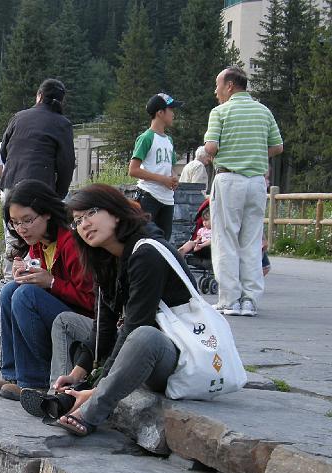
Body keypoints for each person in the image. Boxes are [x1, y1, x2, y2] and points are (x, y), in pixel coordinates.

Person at [41, 184, 196, 436]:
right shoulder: (106, 259)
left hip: (174, 356)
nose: (84, 224)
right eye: (78, 221)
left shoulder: (148, 253)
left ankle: (91, 410)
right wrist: (78, 371)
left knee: (144, 335)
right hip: (133, 346)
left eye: (91, 213)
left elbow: (135, 325)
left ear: (115, 211)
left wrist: (99, 385)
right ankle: (63, 397)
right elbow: (103, 325)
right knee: (65, 321)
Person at [0, 179, 94, 401]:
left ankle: (34, 382)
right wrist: (26, 273)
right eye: (15, 223)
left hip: (83, 328)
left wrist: (52, 283)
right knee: (11, 291)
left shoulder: (71, 243)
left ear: (47, 213)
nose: (21, 229)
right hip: (61, 313)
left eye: (28, 220)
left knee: (25, 295)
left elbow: (92, 303)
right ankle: (14, 374)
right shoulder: (40, 242)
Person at [204, 66, 283, 317]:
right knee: (250, 240)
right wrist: (255, 154)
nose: (216, 91)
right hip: (256, 182)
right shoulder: (263, 111)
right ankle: (250, 300)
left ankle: (229, 299)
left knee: (225, 239)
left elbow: (211, 147)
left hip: (229, 179)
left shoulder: (220, 112)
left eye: (218, 86)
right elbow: (277, 146)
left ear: (229, 86)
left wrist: (217, 150)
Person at [0, 79, 76, 278]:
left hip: (11, 184)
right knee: (39, 235)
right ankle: (36, 278)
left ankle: (10, 279)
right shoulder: (62, 123)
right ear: (61, 101)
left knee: (15, 235)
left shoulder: (19, 117)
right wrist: (57, 196)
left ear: (39, 96)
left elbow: (5, 150)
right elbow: (66, 164)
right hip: (40, 190)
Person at [128, 93, 183, 242]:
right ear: (160, 112)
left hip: (167, 199)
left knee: (164, 242)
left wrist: (173, 177)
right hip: (149, 197)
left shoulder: (169, 140)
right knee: (145, 240)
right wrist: (162, 179)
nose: (173, 114)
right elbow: (133, 170)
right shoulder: (146, 137)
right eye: (170, 109)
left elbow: (170, 167)